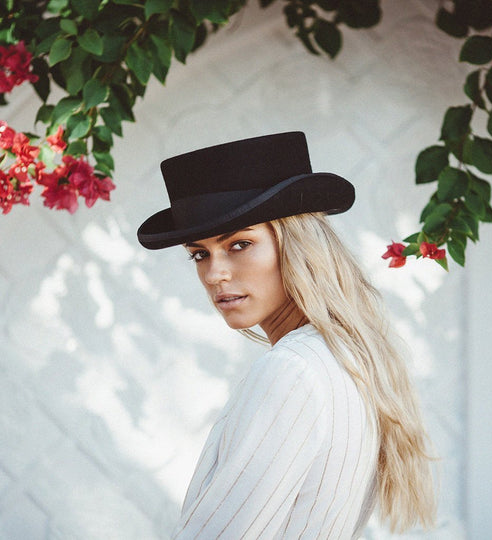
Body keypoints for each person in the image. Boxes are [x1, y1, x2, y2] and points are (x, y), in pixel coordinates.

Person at [137, 132, 436, 538]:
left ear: (298, 244)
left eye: (240, 244)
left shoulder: (292, 371)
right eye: (199, 253)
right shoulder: (346, 360)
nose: (213, 273)